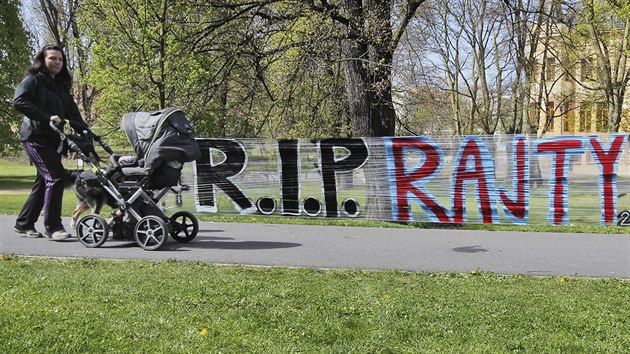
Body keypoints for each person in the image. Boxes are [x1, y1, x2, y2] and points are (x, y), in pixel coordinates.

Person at [13, 44, 88, 240]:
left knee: (43, 181)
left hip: (52, 139)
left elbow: (73, 113)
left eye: (60, 59)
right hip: (35, 137)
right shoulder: (33, 80)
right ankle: (53, 227)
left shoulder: (61, 87)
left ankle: (24, 223)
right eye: (52, 58)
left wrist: (86, 132)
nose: (57, 62)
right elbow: (19, 101)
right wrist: (46, 117)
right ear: (43, 60)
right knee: (56, 177)